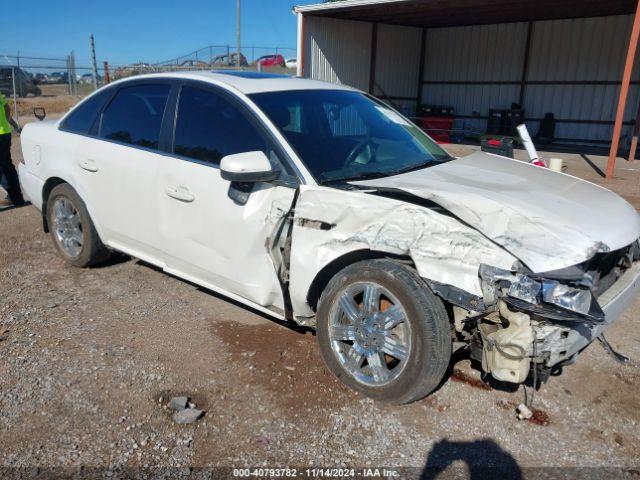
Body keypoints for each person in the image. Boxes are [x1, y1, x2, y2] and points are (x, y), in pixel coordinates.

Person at [0, 91, 26, 207]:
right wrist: (10, 124)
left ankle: (15, 198)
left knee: (5, 167)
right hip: (5, 133)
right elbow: (6, 107)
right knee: (7, 167)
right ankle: (17, 198)